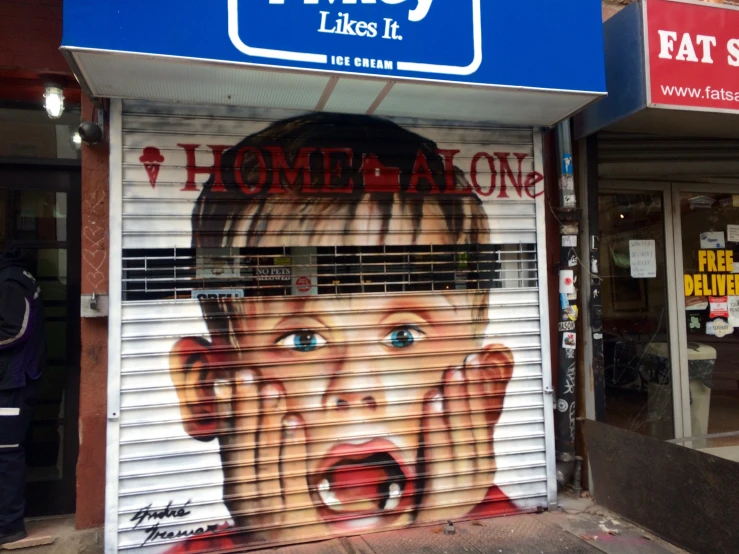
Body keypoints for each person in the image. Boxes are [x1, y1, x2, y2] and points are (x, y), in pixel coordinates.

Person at [165, 113, 517, 552]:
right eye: (304, 340)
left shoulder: (501, 530)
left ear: (486, 390)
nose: (354, 386)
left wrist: (446, 523)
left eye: (403, 336)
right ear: (206, 389)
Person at [0, 247, 45, 547]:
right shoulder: (20, 277)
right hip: (14, 379)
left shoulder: (11, 281)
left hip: (13, 382)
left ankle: (11, 525)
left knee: (7, 453)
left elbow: (15, 329)